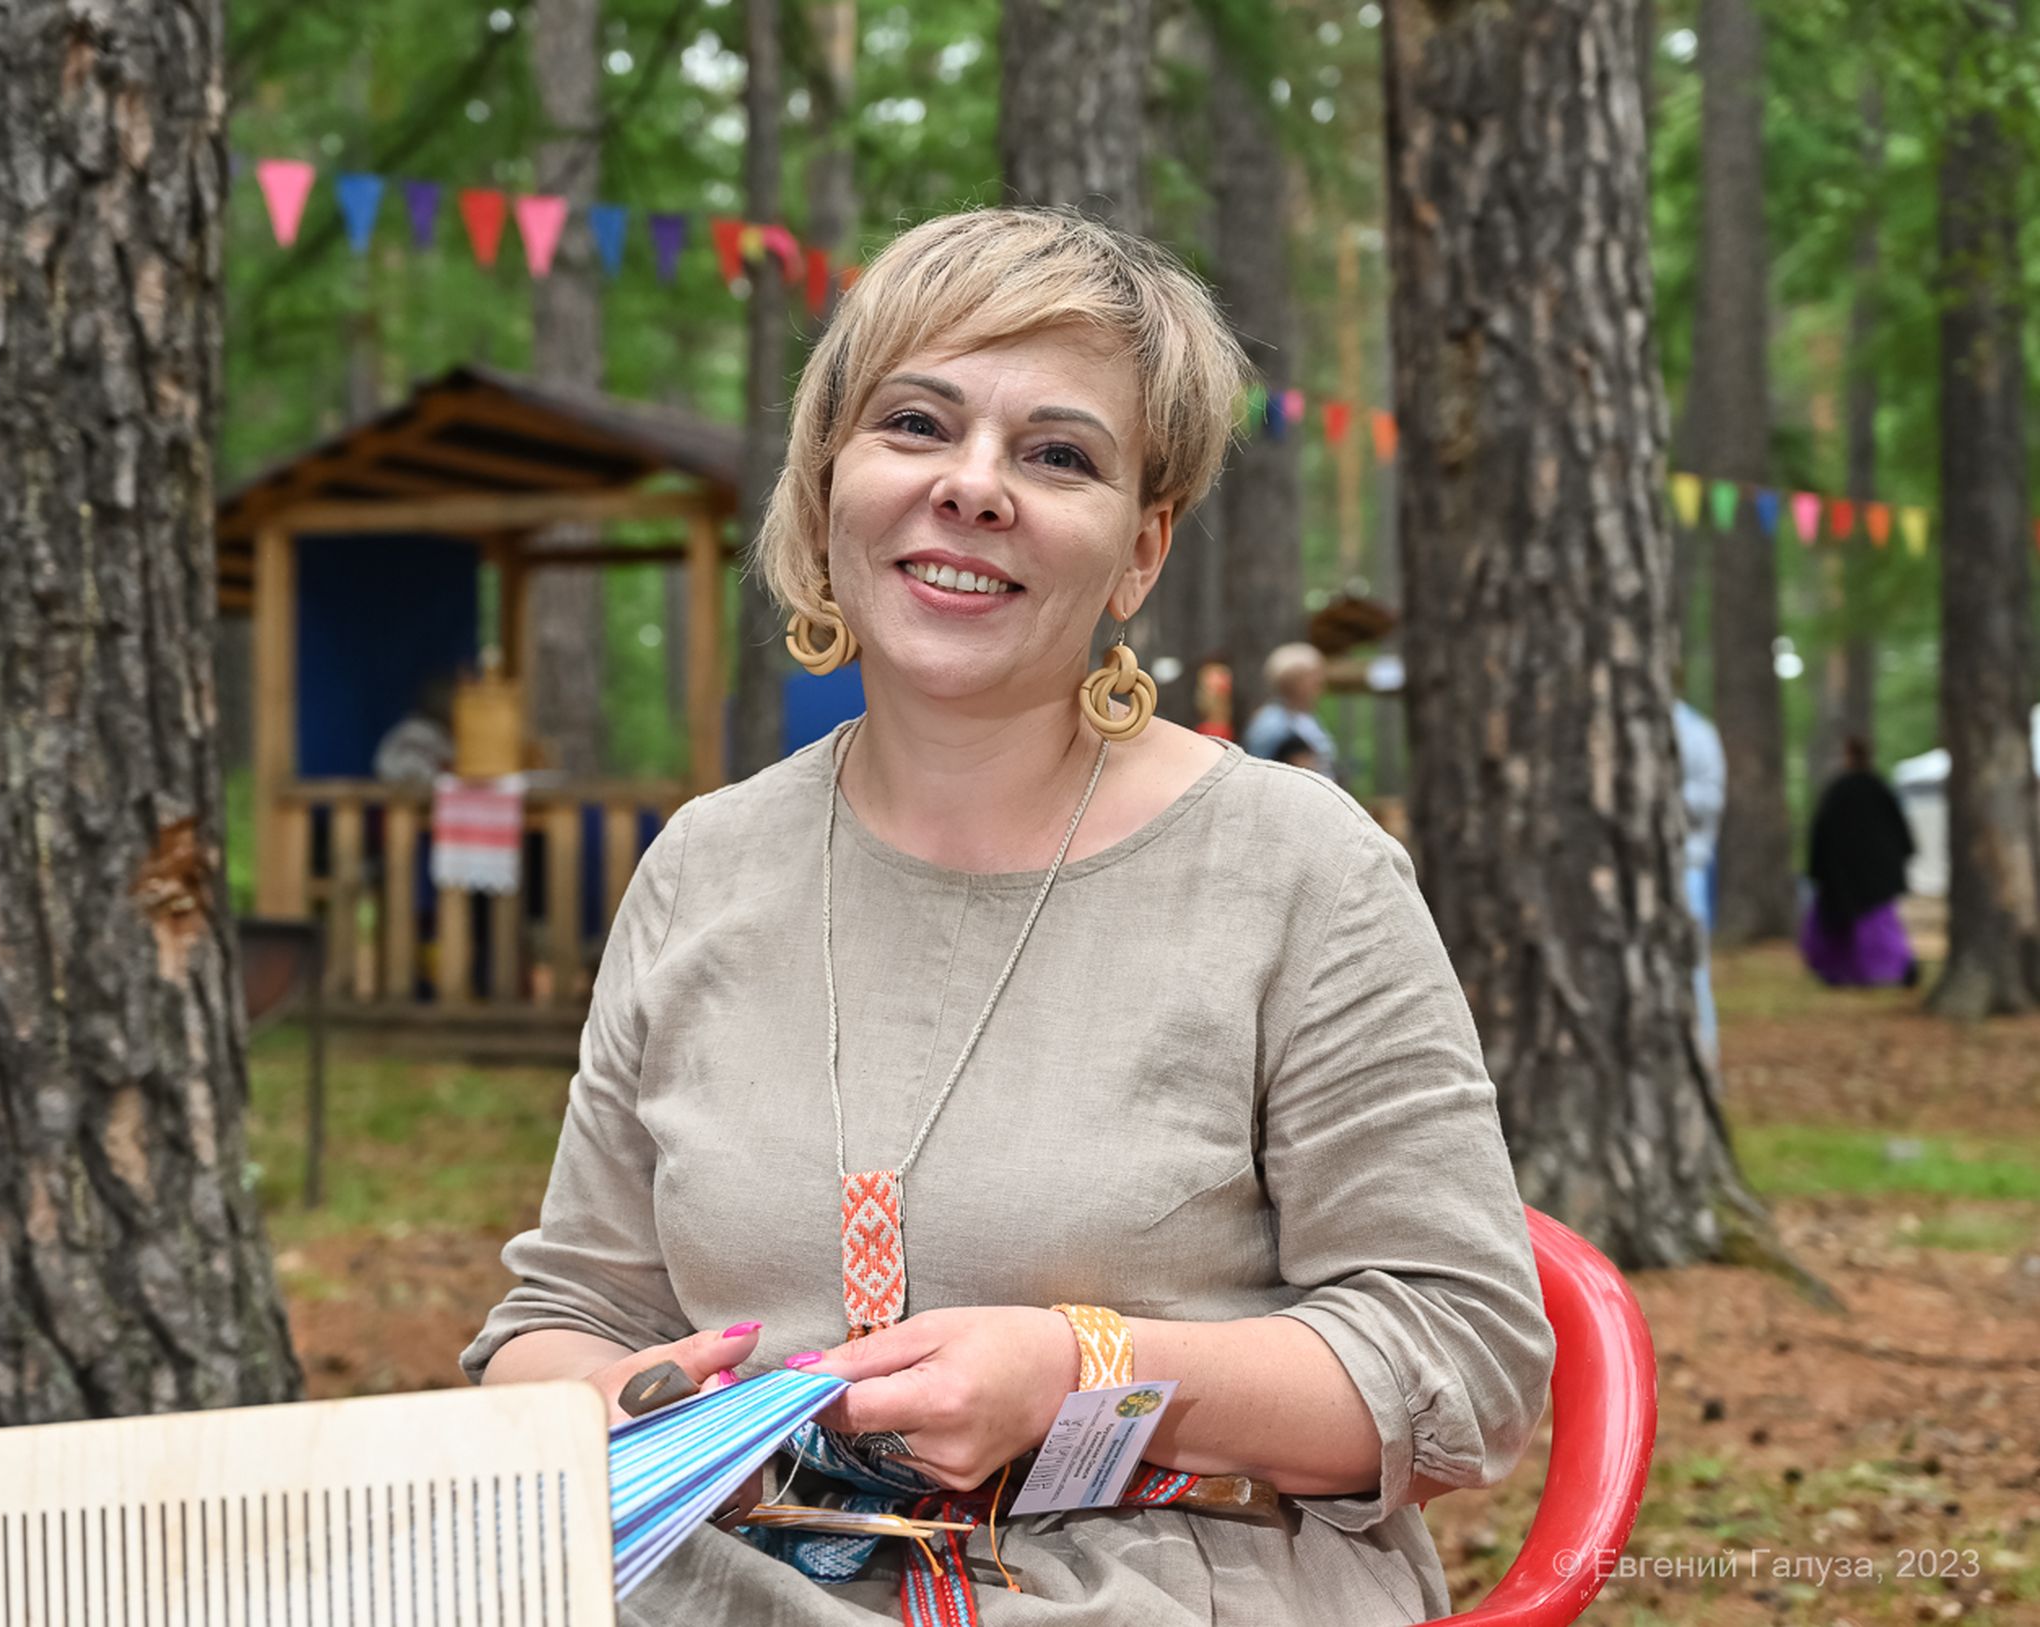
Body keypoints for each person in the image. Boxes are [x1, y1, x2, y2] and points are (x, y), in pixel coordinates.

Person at [462, 206, 1551, 1626]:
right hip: (723, 1580)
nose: (973, 487)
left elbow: (1462, 1361)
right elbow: (562, 1319)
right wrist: (617, 1398)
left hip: (1158, 1585)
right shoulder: (704, 867)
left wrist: (1084, 1371)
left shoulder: (1300, 869)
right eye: (917, 424)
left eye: (1058, 455)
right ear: (827, 486)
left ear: (1139, 552)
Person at [1800, 737, 1918, 988]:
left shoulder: (1839, 792)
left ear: (1848, 757)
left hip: (1844, 876)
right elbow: (1902, 834)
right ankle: (1886, 970)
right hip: (1875, 877)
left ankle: (1866, 971)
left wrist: (1818, 869)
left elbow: (1821, 834)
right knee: (1875, 925)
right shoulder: (1878, 789)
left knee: (1851, 925)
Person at [1672, 694, 1726, 1060]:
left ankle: (1703, 1053)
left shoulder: (1696, 731)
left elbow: (1711, 798)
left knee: (1693, 969)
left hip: (1688, 869)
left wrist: (1660, 796)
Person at [1241, 642, 1338, 783]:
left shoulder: (1305, 717)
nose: (1320, 681)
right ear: (1292, 680)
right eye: (1312, 675)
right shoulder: (1273, 722)